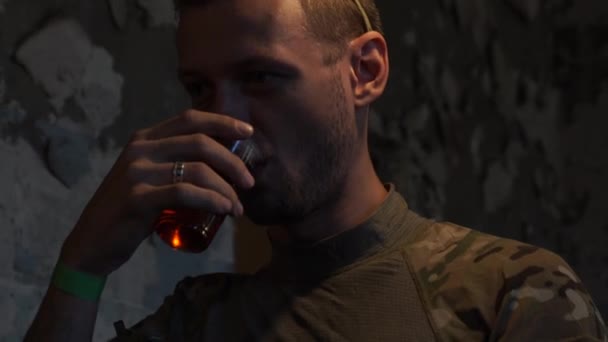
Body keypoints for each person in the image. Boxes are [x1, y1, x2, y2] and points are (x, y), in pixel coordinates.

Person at [25, 0, 607, 341]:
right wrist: (82, 265)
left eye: (261, 77)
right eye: (200, 88)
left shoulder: (508, 292)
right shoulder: (198, 320)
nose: (222, 119)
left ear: (365, 71)